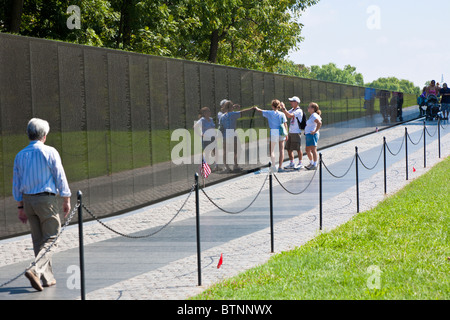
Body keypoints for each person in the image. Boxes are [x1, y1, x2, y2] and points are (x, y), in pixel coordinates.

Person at [12, 118, 71, 292]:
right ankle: (35, 270)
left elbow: (17, 182)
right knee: (52, 238)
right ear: (44, 136)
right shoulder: (50, 151)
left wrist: (20, 206)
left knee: (39, 241)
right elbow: (60, 175)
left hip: (28, 200)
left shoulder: (20, 155)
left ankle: (47, 278)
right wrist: (66, 198)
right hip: (46, 199)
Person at [218, 101, 254, 172]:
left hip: (225, 135)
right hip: (232, 134)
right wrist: (250, 108)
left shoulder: (222, 116)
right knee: (237, 150)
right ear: (231, 107)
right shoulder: (233, 114)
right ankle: (235, 165)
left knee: (225, 152)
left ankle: (227, 167)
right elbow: (241, 113)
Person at [254, 100, 288, 173]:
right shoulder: (282, 114)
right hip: (282, 132)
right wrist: (286, 133)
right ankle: (280, 166)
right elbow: (285, 124)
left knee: (272, 150)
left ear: (272, 106)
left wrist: (256, 108)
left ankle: (273, 166)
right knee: (281, 150)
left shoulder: (269, 113)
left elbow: (261, 111)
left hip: (274, 132)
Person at [280, 96, 304, 170]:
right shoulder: (292, 109)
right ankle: (292, 163)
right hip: (290, 132)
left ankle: (300, 163)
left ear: (296, 102)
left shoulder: (299, 111)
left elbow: (289, 115)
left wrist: (283, 108)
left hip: (296, 132)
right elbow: (285, 114)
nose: (290, 102)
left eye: (292, 101)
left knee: (298, 148)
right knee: (289, 149)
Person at [304, 102, 323, 171]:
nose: (308, 108)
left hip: (312, 134)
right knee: (307, 149)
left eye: (309, 107)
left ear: (313, 109)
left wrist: (315, 131)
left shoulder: (314, 115)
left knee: (313, 149)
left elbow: (319, 123)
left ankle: (315, 164)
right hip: (309, 134)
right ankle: (311, 162)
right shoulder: (312, 116)